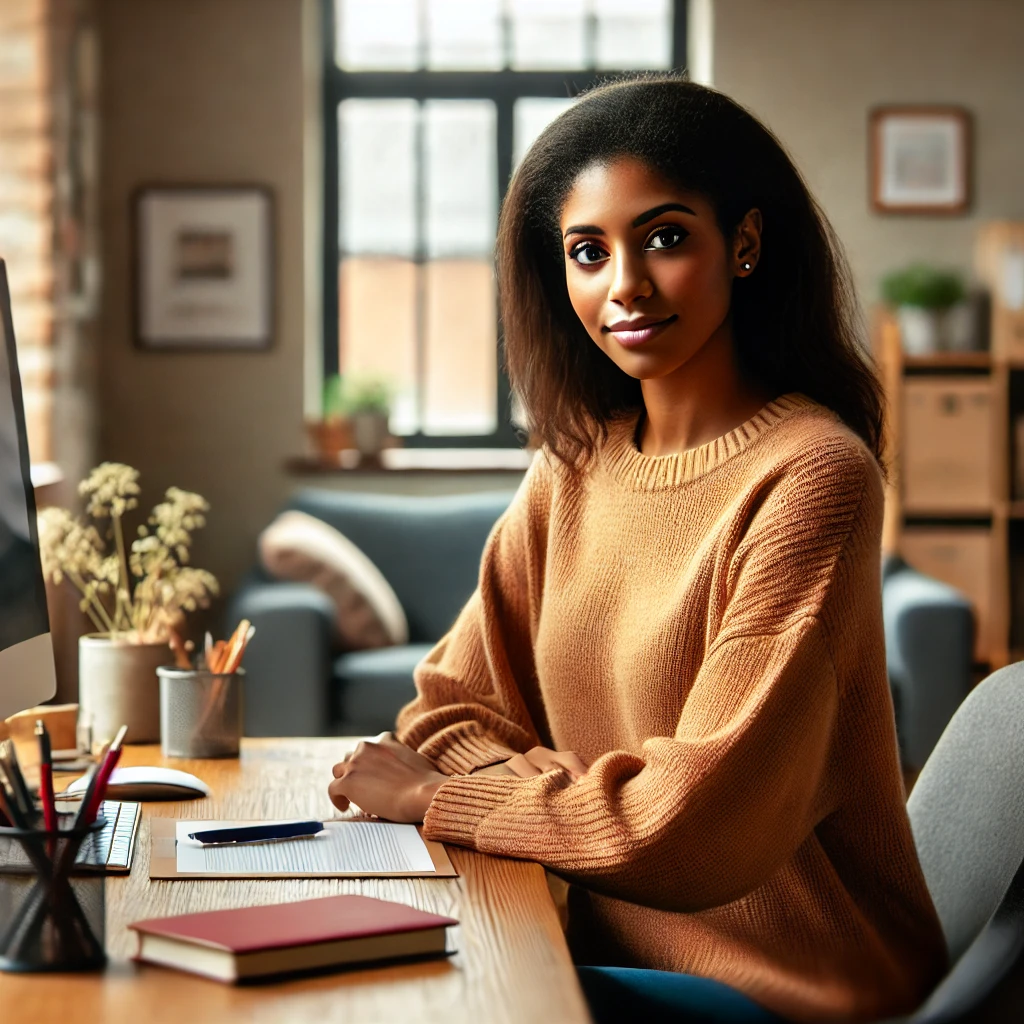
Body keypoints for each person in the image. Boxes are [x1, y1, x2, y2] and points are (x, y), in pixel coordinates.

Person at [328, 75, 948, 1023]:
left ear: (742, 243)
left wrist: (443, 801)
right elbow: (445, 713)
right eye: (587, 251)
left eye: (664, 237)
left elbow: (686, 831)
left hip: (786, 987)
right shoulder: (573, 469)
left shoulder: (813, 475)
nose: (625, 284)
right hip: (589, 941)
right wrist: (587, 803)